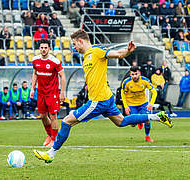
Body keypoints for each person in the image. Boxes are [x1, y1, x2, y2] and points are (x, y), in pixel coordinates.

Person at [33, 30, 172, 163]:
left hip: (98, 101)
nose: (74, 47)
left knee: (67, 121)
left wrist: (128, 51)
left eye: (74, 44)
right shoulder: (86, 57)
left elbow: (117, 53)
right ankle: (157, 116)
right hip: (106, 98)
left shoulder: (96, 51)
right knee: (122, 122)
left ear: (80, 41)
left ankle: (50, 154)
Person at [30, 39, 66, 147]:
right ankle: (50, 135)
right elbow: (35, 74)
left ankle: (54, 139)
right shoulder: (35, 60)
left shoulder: (55, 61)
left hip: (52, 93)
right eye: (42, 47)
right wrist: (32, 88)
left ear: (49, 49)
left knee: (53, 115)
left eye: (46, 48)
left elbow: (63, 76)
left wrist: (62, 92)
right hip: (40, 93)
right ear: (39, 49)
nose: (44, 50)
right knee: (42, 115)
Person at [121, 66, 157, 142]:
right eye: (132, 74)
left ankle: (147, 136)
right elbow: (122, 93)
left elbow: (154, 92)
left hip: (143, 104)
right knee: (132, 124)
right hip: (131, 105)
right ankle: (139, 121)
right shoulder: (126, 82)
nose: (134, 76)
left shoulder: (145, 80)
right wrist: (126, 106)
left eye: (136, 74)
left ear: (139, 73)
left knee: (147, 120)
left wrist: (151, 104)